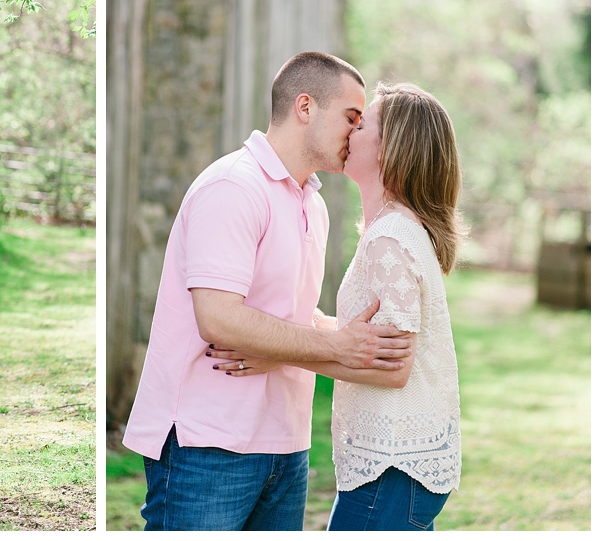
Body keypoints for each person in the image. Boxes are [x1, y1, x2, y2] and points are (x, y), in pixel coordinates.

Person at [121, 52, 416, 531]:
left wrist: (338, 334)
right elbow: (217, 318)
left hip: (286, 445)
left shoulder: (312, 205)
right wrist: (335, 344)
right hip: (207, 443)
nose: (357, 132)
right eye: (350, 117)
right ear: (305, 107)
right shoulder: (233, 187)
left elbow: (286, 314)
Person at [209, 82, 463, 531]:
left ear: (390, 150)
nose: (349, 131)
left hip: (392, 467)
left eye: (362, 124)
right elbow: (369, 336)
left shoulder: (391, 238)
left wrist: (279, 353)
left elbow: (391, 366)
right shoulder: (392, 229)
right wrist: (308, 326)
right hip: (393, 465)